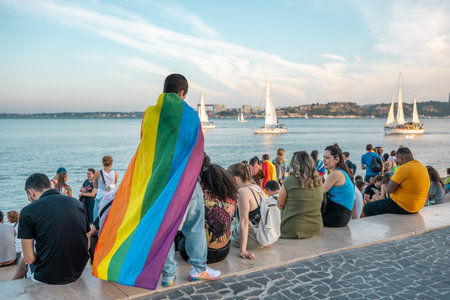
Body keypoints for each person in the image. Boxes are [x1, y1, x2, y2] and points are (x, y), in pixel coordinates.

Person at [157, 75, 220, 286]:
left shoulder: (151, 114)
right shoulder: (189, 115)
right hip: (184, 180)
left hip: (160, 182)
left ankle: (168, 275)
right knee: (193, 225)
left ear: (165, 90)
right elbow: (196, 150)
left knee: (164, 229)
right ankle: (198, 269)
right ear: (182, 93)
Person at [18, 173, 89, 284]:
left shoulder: (27, 211)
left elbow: (29, 259)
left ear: (30, 192)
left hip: (47, 276)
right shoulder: (77, 203)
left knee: (25, 259)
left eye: (29, 197)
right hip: (77, 271)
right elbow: (87, 242)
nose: (29, 200)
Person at [179, 163, 237, 264]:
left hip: (203, 254)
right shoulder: (230, 197)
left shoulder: (200, 198)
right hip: (224, 251)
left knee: (181, 237)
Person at [362, 147, 430, 217]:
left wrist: (387, 179)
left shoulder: (403, 168)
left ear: (401, 158)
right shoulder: (422, 167)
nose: (397, 163)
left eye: (397, 160)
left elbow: (389, 190)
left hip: (403, 206)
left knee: (367, 208)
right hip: (417, 207)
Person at [277, 151, 323, 239]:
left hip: (292, 229)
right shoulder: (318, 181)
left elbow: (280, 205)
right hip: (315, 227)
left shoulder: (289, 180)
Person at [228, 163, 267, 260]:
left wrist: (243, 250)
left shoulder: (243, 192)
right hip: (263, 236)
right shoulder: (257, 188)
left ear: (236, 179)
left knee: (228, 233)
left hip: (252, 240)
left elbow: (244, 222)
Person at [322, 145, 354, 227]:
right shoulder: (341, 171)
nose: (324, 160)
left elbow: (319, 192)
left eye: (327, 158)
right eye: (323, 157)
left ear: (337, 159)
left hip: (337, 216)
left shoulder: (336, 174)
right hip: (342, 215)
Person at [93, 155, 118, 220]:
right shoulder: (115, 173)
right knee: (109, 216)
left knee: (96, 216)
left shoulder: (97, 173)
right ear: (111, 163)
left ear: (103, 163)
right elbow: (114, 183)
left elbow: (95, 186)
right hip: (110, 197)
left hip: (100, 196)